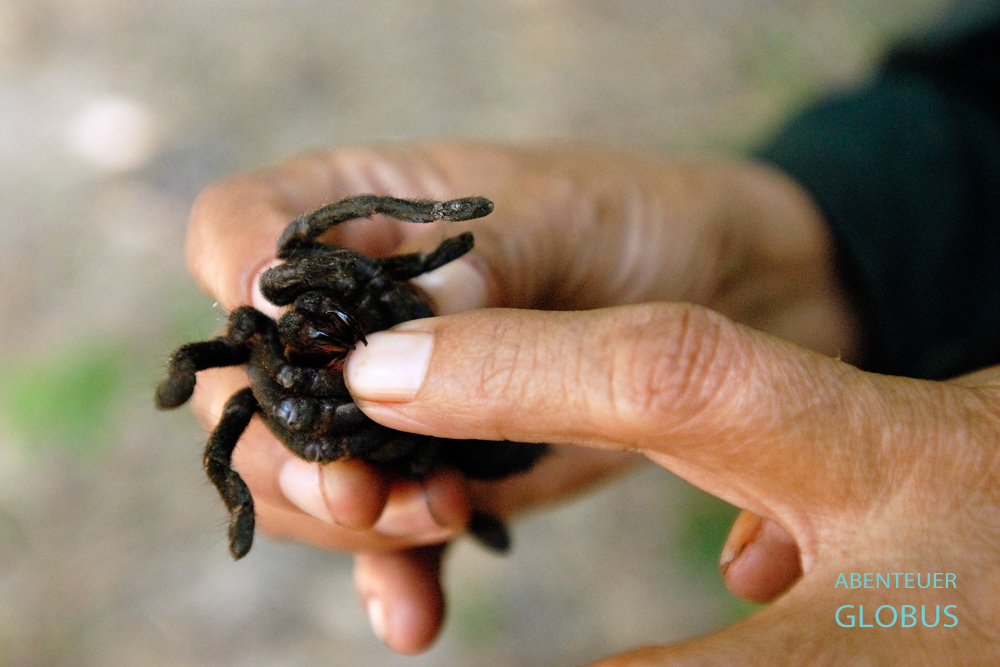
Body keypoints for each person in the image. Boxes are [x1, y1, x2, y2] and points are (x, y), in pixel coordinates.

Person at [180, 5, 999, 664]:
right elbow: (219, 416)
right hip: (375, 438)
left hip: (400, 428)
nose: (317, 315)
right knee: (420, 474)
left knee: (431, 458)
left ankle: (475, 501)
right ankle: (475, 508)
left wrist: (434, 240)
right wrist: (816, 234)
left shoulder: (342, 293)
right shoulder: (265, 339)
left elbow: (364, 250)